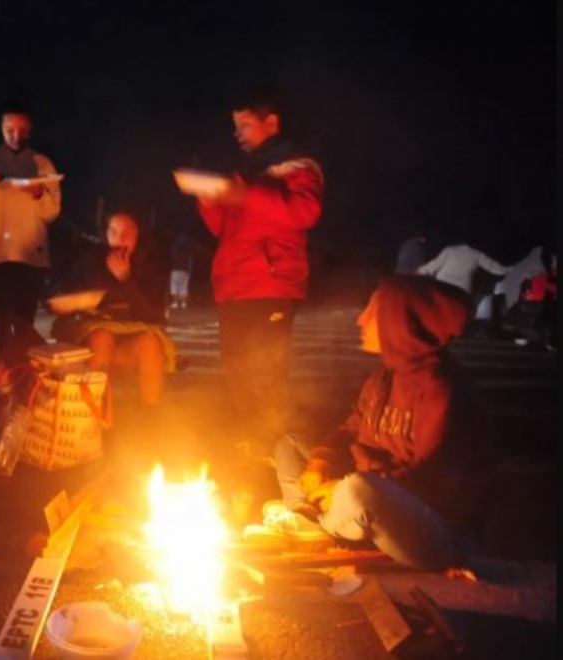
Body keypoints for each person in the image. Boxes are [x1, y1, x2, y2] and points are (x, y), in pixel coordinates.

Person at [251, 276, 495, 570]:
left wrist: (340, 487)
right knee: (290, 444)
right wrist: (320, 462)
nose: (361, 320)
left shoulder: (443, 390)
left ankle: (321, 522)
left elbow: (430, 481)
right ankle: (309, 519)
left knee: (358, 490)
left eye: (373, 312)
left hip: (435, 532)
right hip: (370, 493)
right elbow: (351, 429)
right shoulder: (384, 376)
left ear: (400, 322)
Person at [189, 90, 323, 457]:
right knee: (238, 373)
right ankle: (254, 443)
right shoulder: (245, 173)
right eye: (235, 127)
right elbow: (223, 229)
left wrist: (246, 194)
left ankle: (274, 451)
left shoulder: (297, 165)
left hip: (270, 282)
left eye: (244, 124)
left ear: (271, 122)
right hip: (233, 285)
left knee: (265, 374)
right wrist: (210, 200)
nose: (237, 134)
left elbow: (304, 212)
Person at [0, 100, 62, 365]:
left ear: (30, 129)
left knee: (24, 322)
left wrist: (40, 193)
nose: (16, 135)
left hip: (31, 256)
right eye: (10, 129)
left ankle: (21, 376)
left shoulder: (42, 164)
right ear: (1, 127)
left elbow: (52, 213)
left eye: (22, 129)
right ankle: (2, 376)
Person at [50, 212, 174, 406]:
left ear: (137, 236)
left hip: (128, 340)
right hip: (91, 338)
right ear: (105, 234)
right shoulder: (88, 260)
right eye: (114, 231)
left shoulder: (149, 264)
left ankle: (151, 418)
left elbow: (153, 314)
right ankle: (92, 414)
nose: (120, 238)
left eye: (128, 232)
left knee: (150, 343)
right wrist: (70, 302)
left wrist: (126, 277)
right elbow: (59, 297)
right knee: (102, 338)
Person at [416, 242, 509, 294]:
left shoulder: (450, 250)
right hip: (462, 291)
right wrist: (509, 270)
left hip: (443, 286)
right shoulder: (476, 254)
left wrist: (420, 271)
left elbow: (435, 264)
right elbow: (492, 267)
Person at [168, 230, 194, 310]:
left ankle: (175, 303)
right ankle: (183, 303)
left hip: (175, 269)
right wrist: (190, 270)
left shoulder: (175, 247)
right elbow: (190, 260)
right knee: (184, 287)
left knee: (175, 286)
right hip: (184, 270)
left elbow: (171, 256)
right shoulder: (188, 249)